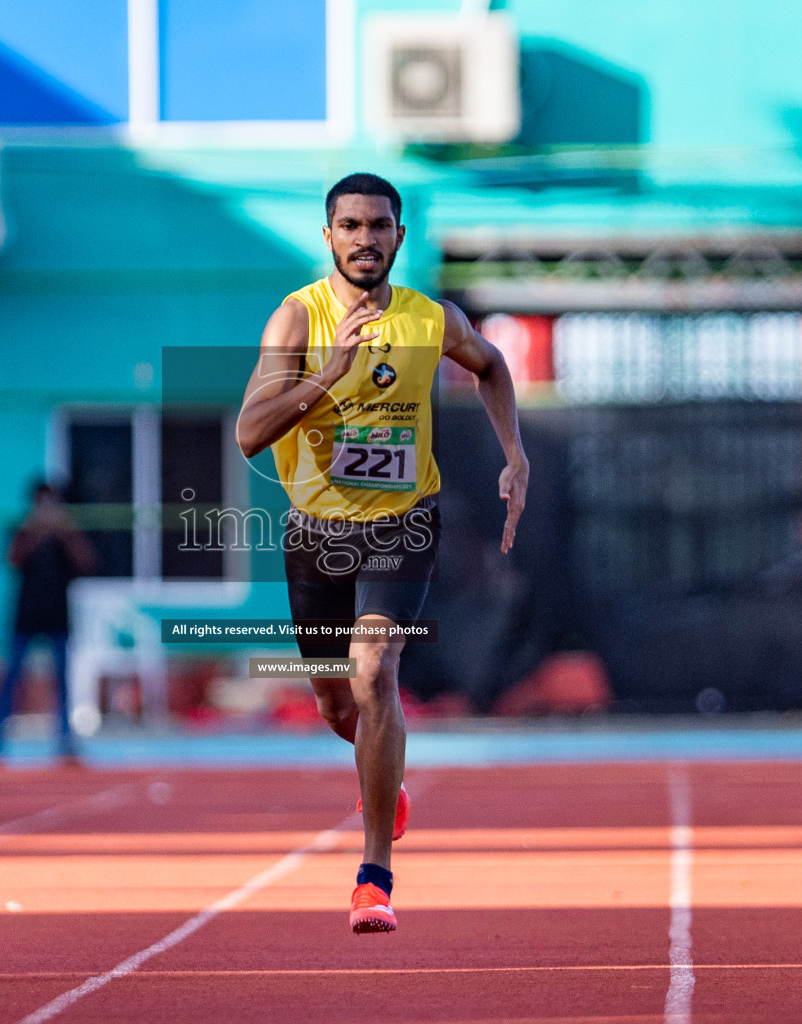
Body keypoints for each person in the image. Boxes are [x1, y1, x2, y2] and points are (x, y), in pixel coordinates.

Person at [235, 173, 528, 933]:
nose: (366, 238)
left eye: (380, 226)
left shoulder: (431, 318)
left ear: (400, 236)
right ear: (328, 236)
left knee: (375, 671)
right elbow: (249, 432)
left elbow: (491, 364)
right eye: (352, 226)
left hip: (402, 521)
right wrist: (326, 378)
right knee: (340, 702)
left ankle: (373, 876)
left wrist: (515, 455)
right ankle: (383, 774)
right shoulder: (299, 320)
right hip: (316, 533)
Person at [0, 480, 93, 763]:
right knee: (11, 678)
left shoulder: (66, 531)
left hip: (57, 616)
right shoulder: (22, 528)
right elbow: (11, 561)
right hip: (26, 616)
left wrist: (64, 532)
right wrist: (35, 532)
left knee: (63, 681)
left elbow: (86, 563)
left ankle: (66, 740)